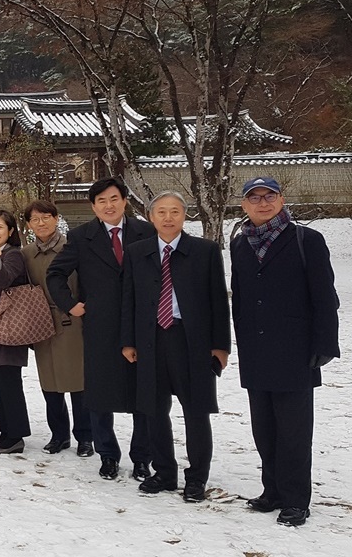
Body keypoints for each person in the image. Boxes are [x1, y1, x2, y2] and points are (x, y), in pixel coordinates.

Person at [230, 177, 340, 527]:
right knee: (264, 429)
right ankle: (272, 491)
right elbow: (242, 297)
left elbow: (325, 296)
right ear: (244, 205)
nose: (263, 203)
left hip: (296, 350)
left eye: (269, 196)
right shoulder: (240, 244)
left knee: (293, 431)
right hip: (256, 350)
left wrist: (326, 344)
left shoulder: (306, 240)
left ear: (281, 199)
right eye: (254, 198)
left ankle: (295, 499)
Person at [121, 192, 231, 503]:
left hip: (192, 341)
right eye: (161, 212)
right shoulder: (137, 252)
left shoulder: (205, 251)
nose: (168, 218)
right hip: (150, 339)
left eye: (175, 212)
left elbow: (218, 302)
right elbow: (128, 299)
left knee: (196, 411)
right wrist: (128, 340)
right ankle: (165, 473)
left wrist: (220, 346)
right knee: (154, 410)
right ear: (151, 217)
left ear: (185, 216)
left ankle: (196, 478)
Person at [46, 177, 153, 481]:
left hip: (141, 325)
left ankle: (142, 457)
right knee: (99, 394)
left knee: (143, 393)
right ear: (93, 206)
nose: (109, 205)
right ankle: (107, 455)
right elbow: (55, 274)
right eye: (101, 201)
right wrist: (71, 304)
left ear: (124, 201)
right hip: (100, 326)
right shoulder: (81, 237)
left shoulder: (146, 231)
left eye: (114, 199)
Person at [21, 200, 92, 456]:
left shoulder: (73, 247)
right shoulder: (26, 253)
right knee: (49, 381)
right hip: (41, 322)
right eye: (35, 219)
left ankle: (85, 437)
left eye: (46, 217)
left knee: (78, 381)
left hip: (72, 319)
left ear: (56, 218)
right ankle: (59, 435)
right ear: (29, 225)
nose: (41, 223)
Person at [0, 210, 33, 454]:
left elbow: (5, 280)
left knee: (10, 384)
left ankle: (16, 436)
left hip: (9, 328)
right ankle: (5, 434)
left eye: (0, 227)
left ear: (11, 231)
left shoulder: (12, 255)